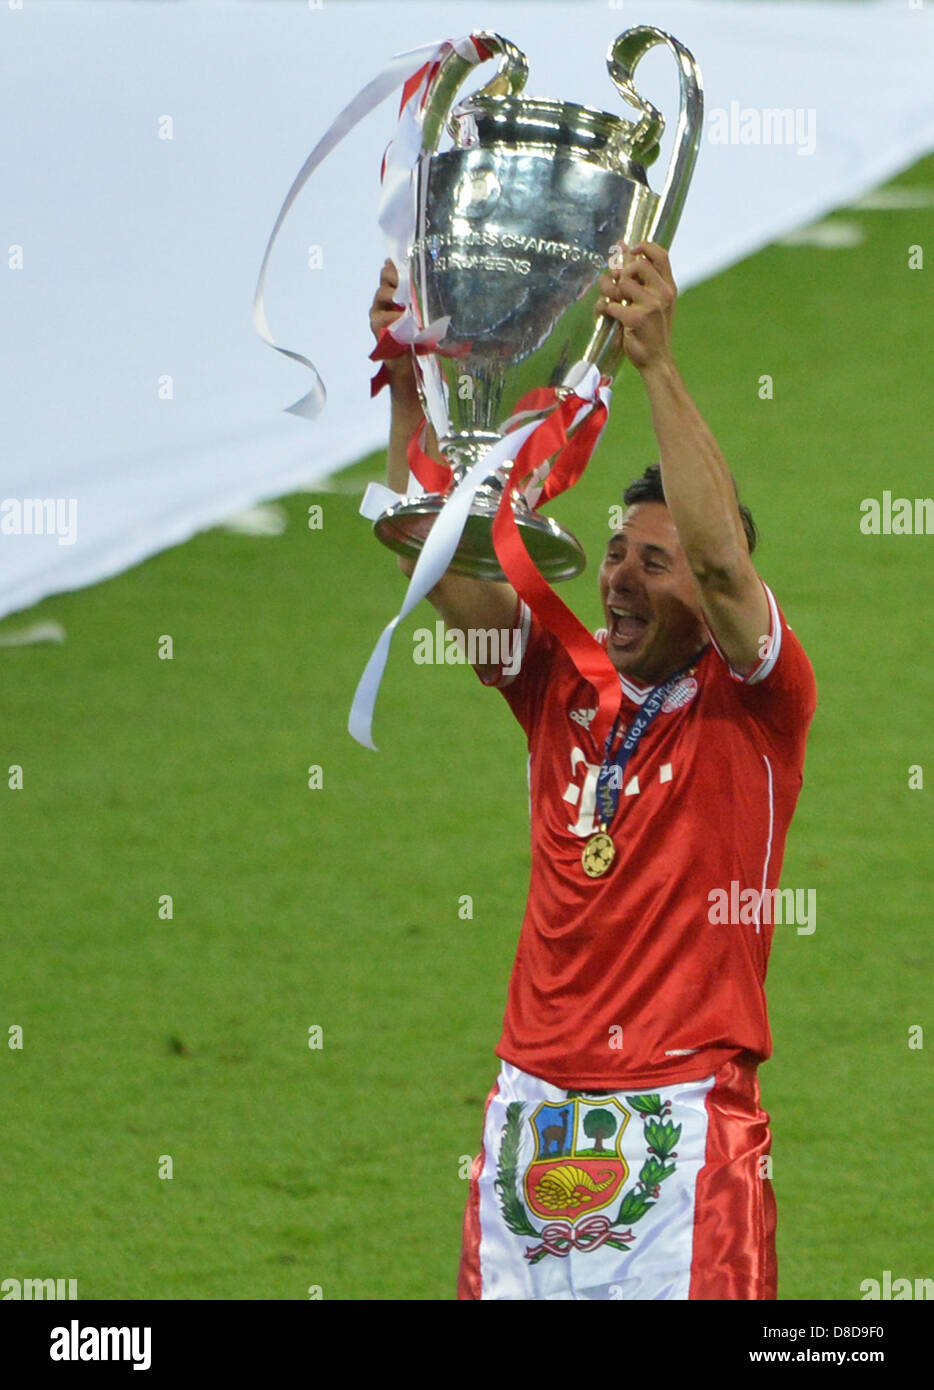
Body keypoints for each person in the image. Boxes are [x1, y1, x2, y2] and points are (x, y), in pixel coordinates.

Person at [369, 243, 817, 1300]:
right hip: (530, 1111)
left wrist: (656, 365)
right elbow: (427, 555)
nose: (616, 575)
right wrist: (405, 383)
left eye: (649, 562)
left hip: (679, 1116)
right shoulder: (558, 686)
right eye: (616, 551)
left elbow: (719, 565)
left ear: (709, 603)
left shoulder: (758, 698)